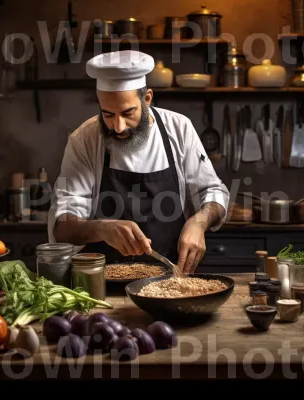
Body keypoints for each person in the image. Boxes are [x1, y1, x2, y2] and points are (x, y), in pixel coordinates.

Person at [48, 50, 229, 273]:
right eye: (108, 114)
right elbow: (63, 226)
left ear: (147, 98)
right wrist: (101, 229)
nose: (118, 126)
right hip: (102, 283)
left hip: (173, 279)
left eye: (128, 113)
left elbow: (213, 191)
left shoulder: (179, 129)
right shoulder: (84, 139)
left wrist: (199, 222)